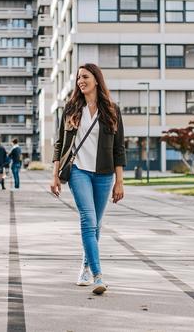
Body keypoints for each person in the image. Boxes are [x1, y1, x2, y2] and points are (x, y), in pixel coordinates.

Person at [51, 63, 125, 295]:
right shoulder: (71, 108)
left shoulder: (112, 110)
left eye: (85, 77)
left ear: (96, 79)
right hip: (78, 171)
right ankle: (98, 275)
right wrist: (54, 176)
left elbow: (119, 148)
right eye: (78, 78)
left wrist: (119, 181)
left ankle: (84, 267)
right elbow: (60, 144)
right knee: (87, 219)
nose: (80, 81)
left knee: (96, 225)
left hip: (104, 174)